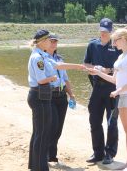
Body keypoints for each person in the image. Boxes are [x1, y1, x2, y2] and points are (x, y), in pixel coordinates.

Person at [27, 29, 84, 171]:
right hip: (40, 95)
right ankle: (40, 167)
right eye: (48, 40)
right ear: (42, 42)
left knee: (39, 132)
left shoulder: (43, 55)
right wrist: (52, 78)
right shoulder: (38, 58)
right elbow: (41, 80)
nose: (50, 42)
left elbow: (59, 66)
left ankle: (35, 165)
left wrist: (78, 67)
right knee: (42, 133)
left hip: (42, 95)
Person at [88, 28, 127, 171]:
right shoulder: (121, 57)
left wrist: (119, 90)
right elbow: (114, 79)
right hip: (122, 96)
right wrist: (98, 72)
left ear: (123, 39)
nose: (113, 44)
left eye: (115, 40)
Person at [83, 18, 122, 164]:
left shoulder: (116, 46)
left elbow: (122, 68)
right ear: (99, 30)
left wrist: (108, 70)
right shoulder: (92, 45)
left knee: (111, 121)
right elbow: (85, 63)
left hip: (113, 88)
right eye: (102, 31)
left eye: (106, 31)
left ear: (111, 31)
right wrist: (93, 68)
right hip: (97, 88)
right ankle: (97, 152)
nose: (104, 33)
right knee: (94, 120)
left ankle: (110, 153)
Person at [45, 33, 76, 167]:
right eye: (51, 41)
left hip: (61, 96)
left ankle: (52, 156)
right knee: (52, 125)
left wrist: (72, 95)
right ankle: (45, 155)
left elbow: (65, 79)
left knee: (59, 128)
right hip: (49, 95)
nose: (54, 44)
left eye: (55, 41)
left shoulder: (60, 59)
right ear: (46, 43)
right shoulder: (43, 58)